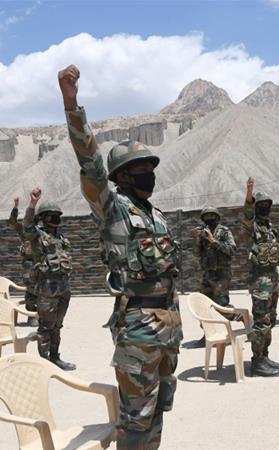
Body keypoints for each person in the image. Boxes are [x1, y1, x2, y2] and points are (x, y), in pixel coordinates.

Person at [60, 64, 182, 449]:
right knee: (136, 418)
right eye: (139, 168)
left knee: (160, 407)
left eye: (149, 166)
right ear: (123, 176)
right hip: (138, 330)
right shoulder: (112, 208)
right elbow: (91, 166)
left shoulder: (155, 215)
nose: (148, 173)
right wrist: (72, 105)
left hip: (167, 325)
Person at [22, 189, 75, 370]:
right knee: (46, 327)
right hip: (47, 289)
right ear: (43, 218)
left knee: (57, 326)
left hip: (63, 288)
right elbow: (27, 226)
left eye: (57, 215)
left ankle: (55, 357)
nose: (55, 218)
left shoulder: (60, 238)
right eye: (51, 215)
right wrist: (32, 204)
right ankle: (45, 363)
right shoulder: (38, 236)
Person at [242, 176, 279, 377]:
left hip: (272, 278)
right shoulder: (252, 226)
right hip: (260, 281)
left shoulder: (269, 227)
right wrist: (249, 195)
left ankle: (265, 355)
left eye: (268, 204)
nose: (265, 207)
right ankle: (257, 361)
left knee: (271, 319)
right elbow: (248, 215)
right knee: (261, 321)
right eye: (261, 204)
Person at [189, 206, 240, 347]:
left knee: (221, 305)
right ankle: (207, 335)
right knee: (202, 306)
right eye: (206, 216)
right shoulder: (203, 232)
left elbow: (231, 249)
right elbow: (196, 253)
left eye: (212, 215)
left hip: (221, 273)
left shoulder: (224, 231)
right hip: (207, 273)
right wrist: (198, 240)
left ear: (217, 217)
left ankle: (241, 317)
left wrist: (214, 241)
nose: (209, 218)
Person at [9, 196, 38, 327]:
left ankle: (43, 317)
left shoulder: (40, 231)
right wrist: (15, 207)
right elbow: (12, 222)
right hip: (29, 263)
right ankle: (32, 315)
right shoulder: (23, 230)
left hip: (42, 263)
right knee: (30, 289)